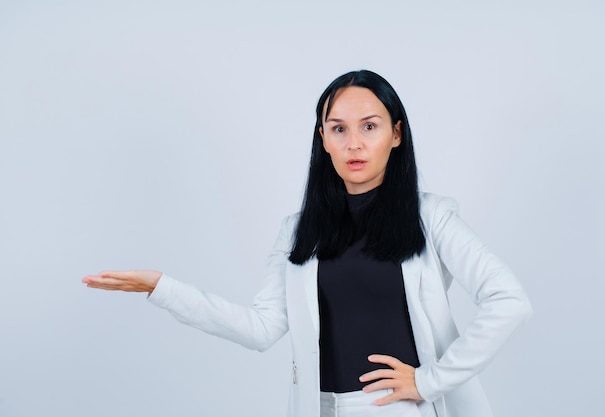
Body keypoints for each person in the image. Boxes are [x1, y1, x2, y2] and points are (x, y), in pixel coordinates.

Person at [82, 70, 532, 417]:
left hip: (397, 410)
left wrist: (431, 381)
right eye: (338, 129)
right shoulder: (300, 230)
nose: (353, 142)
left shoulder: (430, 217)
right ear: (323, 139)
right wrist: (161, 288)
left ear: (396, 134)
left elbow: (508, 299)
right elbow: (260, 329)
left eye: (369, 127)